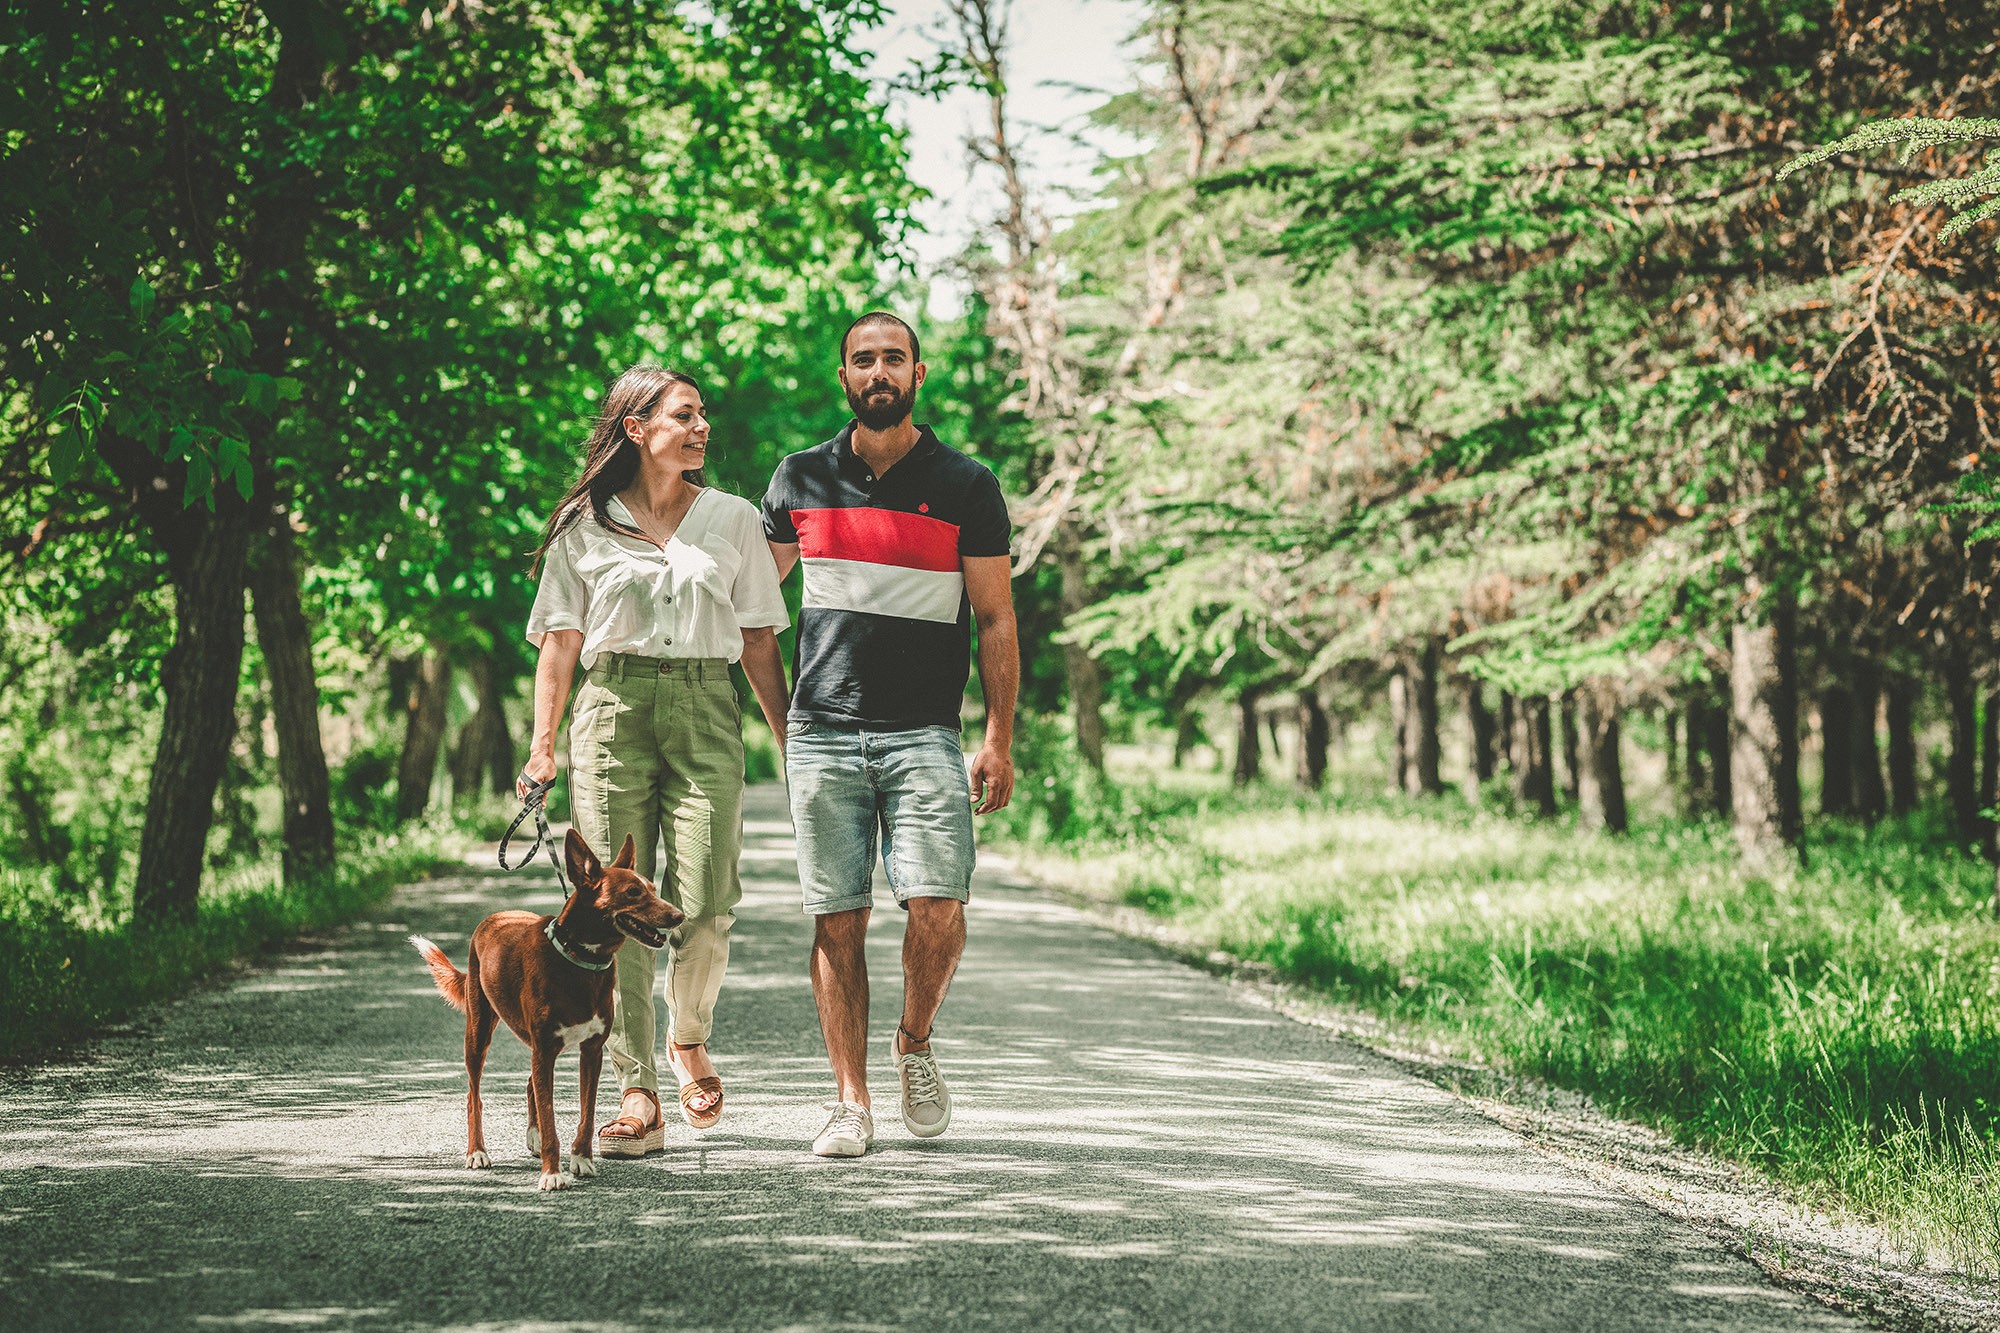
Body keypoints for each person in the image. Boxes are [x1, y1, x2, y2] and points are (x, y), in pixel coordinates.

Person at [762, 311, 1018, 1158]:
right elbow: (751, 607)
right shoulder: (799, 478)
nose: (880, 372)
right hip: (824, 732)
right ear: (843, 375)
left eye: (894, 359)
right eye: (864, 359)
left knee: (939, 906)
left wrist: (998, 736)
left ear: (918, 373)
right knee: (837, 919)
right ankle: (849, 1101)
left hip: (925, 732)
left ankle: (913, 1040)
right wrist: (782, 723)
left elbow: (995, 617)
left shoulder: (966, 484)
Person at [520, 365, 790, 1157]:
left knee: (705, 900)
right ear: (636, 429)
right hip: (612, 709)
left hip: (707, 707)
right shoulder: (583, 524)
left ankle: (687, 1034)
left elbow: (758, 638)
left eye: (703, 415)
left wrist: (789, 737)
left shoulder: (733, 518)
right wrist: (542, 746)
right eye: (683, 415)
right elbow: (560, 640)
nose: (701, 427)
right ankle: (636, 1089)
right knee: (616, 909)